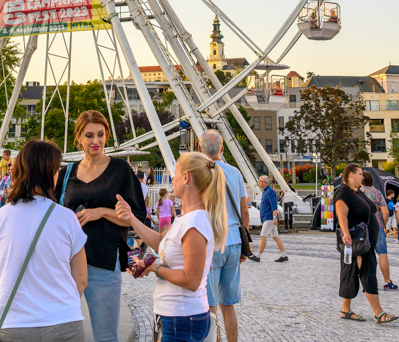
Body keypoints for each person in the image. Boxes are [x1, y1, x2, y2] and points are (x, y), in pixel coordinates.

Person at [56, 110, 148, 342]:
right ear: (78, 138)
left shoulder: (120, 171)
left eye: (100, 134)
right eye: (89, 135)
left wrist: (103, 212)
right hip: (65, 264)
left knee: (106, 337)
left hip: (103, 262)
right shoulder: (66, 173)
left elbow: (137, 216)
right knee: (59, 334)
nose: (95, 141)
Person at [115, 151, 227, 342]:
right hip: (176, 317)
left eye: (174, 173)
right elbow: (160, 241)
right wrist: (131, 218)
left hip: (182, 319)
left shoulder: (194, 222)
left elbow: (191, 280)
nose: (172, 179)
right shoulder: (186, 218)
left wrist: (154, 267)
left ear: (186, 177)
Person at [0, 139, 87, 342]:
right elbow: (81, 280)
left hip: (12, 324)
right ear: (50, 173)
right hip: (63, 321)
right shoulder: (67, 218)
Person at [199, 130, 247, 342]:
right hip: (234, 242)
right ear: (222, 148)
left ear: (199, 148)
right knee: (228, 305)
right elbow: (244, 211)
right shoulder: (236, 173)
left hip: (211, 242)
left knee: (210, 305)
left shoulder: (200, 173)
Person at [334, 163, 397, 324]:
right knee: (367, 273)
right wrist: (346, 232)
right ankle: (379, 313)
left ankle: (345, 310)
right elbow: (341, 212)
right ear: (350, 175)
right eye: (360, 174)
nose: (363, 177)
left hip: (364, 241)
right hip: (357, 241)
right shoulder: (343, 191)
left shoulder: (357, 192)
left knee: (350, 272)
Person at [361, 170, 398, 290]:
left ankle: (365, 282)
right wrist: (383, 223)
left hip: (362, 227)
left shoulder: (357, 192)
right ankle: (387, 281)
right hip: (377, 227)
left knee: (363, 254)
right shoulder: (377, 193)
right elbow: (386, 211)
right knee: (382, 254)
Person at [250, 175, 287, 262]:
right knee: (275, 236)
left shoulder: (269, 192)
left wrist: (274, 217)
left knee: (263, 236)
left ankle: (258, 256)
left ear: (265, 183)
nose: (259, 183)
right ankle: (284, 255)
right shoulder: (266, 191)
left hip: (269, 218)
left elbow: (274, 206)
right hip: (267, 217)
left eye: (260, 181)